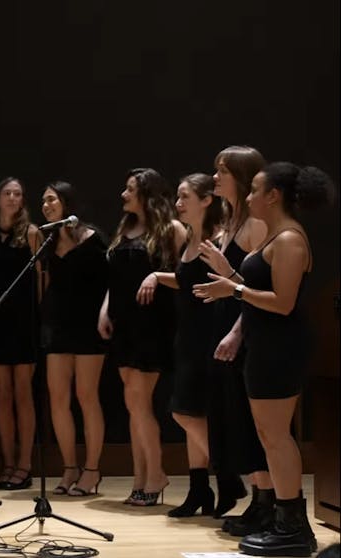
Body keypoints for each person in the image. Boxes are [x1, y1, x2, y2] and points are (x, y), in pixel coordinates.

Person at [195, 162, 335, 557]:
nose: (250, 196)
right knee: (269, 437)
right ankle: (285, 521)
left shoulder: (289, 238)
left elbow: (284, 302)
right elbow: (258, 286)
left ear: (273, 195)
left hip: (281, 347)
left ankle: (293, 528)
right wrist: (231, 275)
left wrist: (233, 289)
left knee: (276, 437)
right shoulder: (275, 235)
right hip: (265, 344)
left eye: (255, 190)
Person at [98, 168, 185, 506]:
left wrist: (156, 276)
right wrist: (104, 310)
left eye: (130, 189)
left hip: (152, 324)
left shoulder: (171, 230)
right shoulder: (125, 229)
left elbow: (187, 276)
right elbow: (115, 280)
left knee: (138, 401)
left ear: (146, 194)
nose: (123, 194)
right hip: (123, 323)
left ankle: (157, 473)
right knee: (134, 405)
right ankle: (140, 478)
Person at [200, 146, 274, 534]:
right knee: (234, 420)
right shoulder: (229, 222)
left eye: (222, 171)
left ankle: (269, 502)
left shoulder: (255, 226)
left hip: (245, 330)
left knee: (251, 420)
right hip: (224, 323)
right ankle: (259, 499)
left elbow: (258, 288)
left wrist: (234, 332)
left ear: (242, 177)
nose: (215, 177)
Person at [140, 174, 223, 516]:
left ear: (206, 200)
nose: (177, 203)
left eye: (185, 196)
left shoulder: (219, 238)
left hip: (210, 334)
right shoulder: (190, 237)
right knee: (192, 413)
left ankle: (233, 473)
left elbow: (225, 284)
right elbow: (188, 281)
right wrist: (158, 276)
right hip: (187, 334)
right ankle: (199, 490)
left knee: (183, 411)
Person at [39, 182, 108, 497]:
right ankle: (69, 467)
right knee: (57, 397)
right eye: (43, 201)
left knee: (86, 395)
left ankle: (92, 469)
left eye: (51, 199)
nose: (46, 205)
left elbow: (110, 281)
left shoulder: (92, 238)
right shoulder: (49, 241)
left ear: (67, 202)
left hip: (89, 325)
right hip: (60, 325)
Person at [0, 177, 41, 490]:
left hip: (24, 321)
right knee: (1, 393)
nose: (13, 198)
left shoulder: (31, 233)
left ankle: (25, 465)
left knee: (23, 393)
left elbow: (40, 281)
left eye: (18, 193)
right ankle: (8, 462)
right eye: (7, 193)